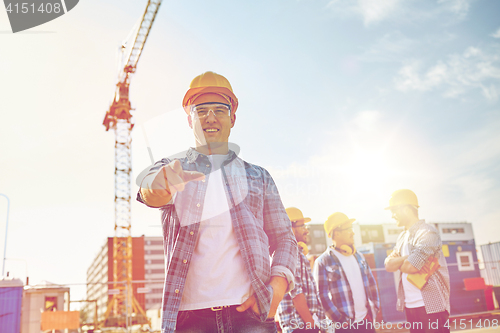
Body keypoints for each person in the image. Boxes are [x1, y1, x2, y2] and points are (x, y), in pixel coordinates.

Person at [137, 71, 297, 333]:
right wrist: (159, 186)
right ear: (190, 120)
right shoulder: (171, 167)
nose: (210, 117)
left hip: (251, 315)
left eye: (219, 110)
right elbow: (149, 190)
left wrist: (277, 288)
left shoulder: (258, 177)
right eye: (201, 110)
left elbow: (285, 239)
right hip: (190, 320)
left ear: (232, 118)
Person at [384, 189, 450, 333]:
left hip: (432, 307)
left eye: (394, 210)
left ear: (406, 209)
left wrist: (403, 263)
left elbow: (412, 266)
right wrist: (407, 257)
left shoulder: (428, 233)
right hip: (410, 307)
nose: (392, 215)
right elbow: (388, 265)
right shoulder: (401, 237)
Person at [314, 212, 379, 332]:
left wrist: (375, 307)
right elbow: (321, 295)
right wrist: (339, 320)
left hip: (366, 322)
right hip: (344, 326)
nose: (353, 232)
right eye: (348, 228)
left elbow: (372, 283)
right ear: (336, 233)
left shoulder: (360, 257)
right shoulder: (323, 261)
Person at [277, 207, 328, 333]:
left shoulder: (300, 255)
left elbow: (312, 295)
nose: (307, 231)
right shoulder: (290, 253)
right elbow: (296, 293)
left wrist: (320, 325)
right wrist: (311, 324)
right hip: (300, 327)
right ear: (290, 228)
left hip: (306, 326)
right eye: (303, 226)